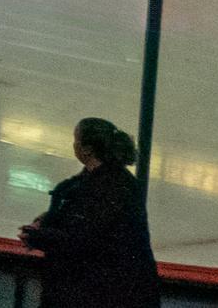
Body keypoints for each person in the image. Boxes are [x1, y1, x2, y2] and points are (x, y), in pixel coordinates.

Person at [20, 117, 158, 308]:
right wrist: (48, 221)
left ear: (87, 149)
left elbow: (86, 238)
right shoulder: (103, 180)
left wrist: (40, 236)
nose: (73, 144)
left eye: (76, 139)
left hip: (105, 292)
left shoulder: (109, 187)